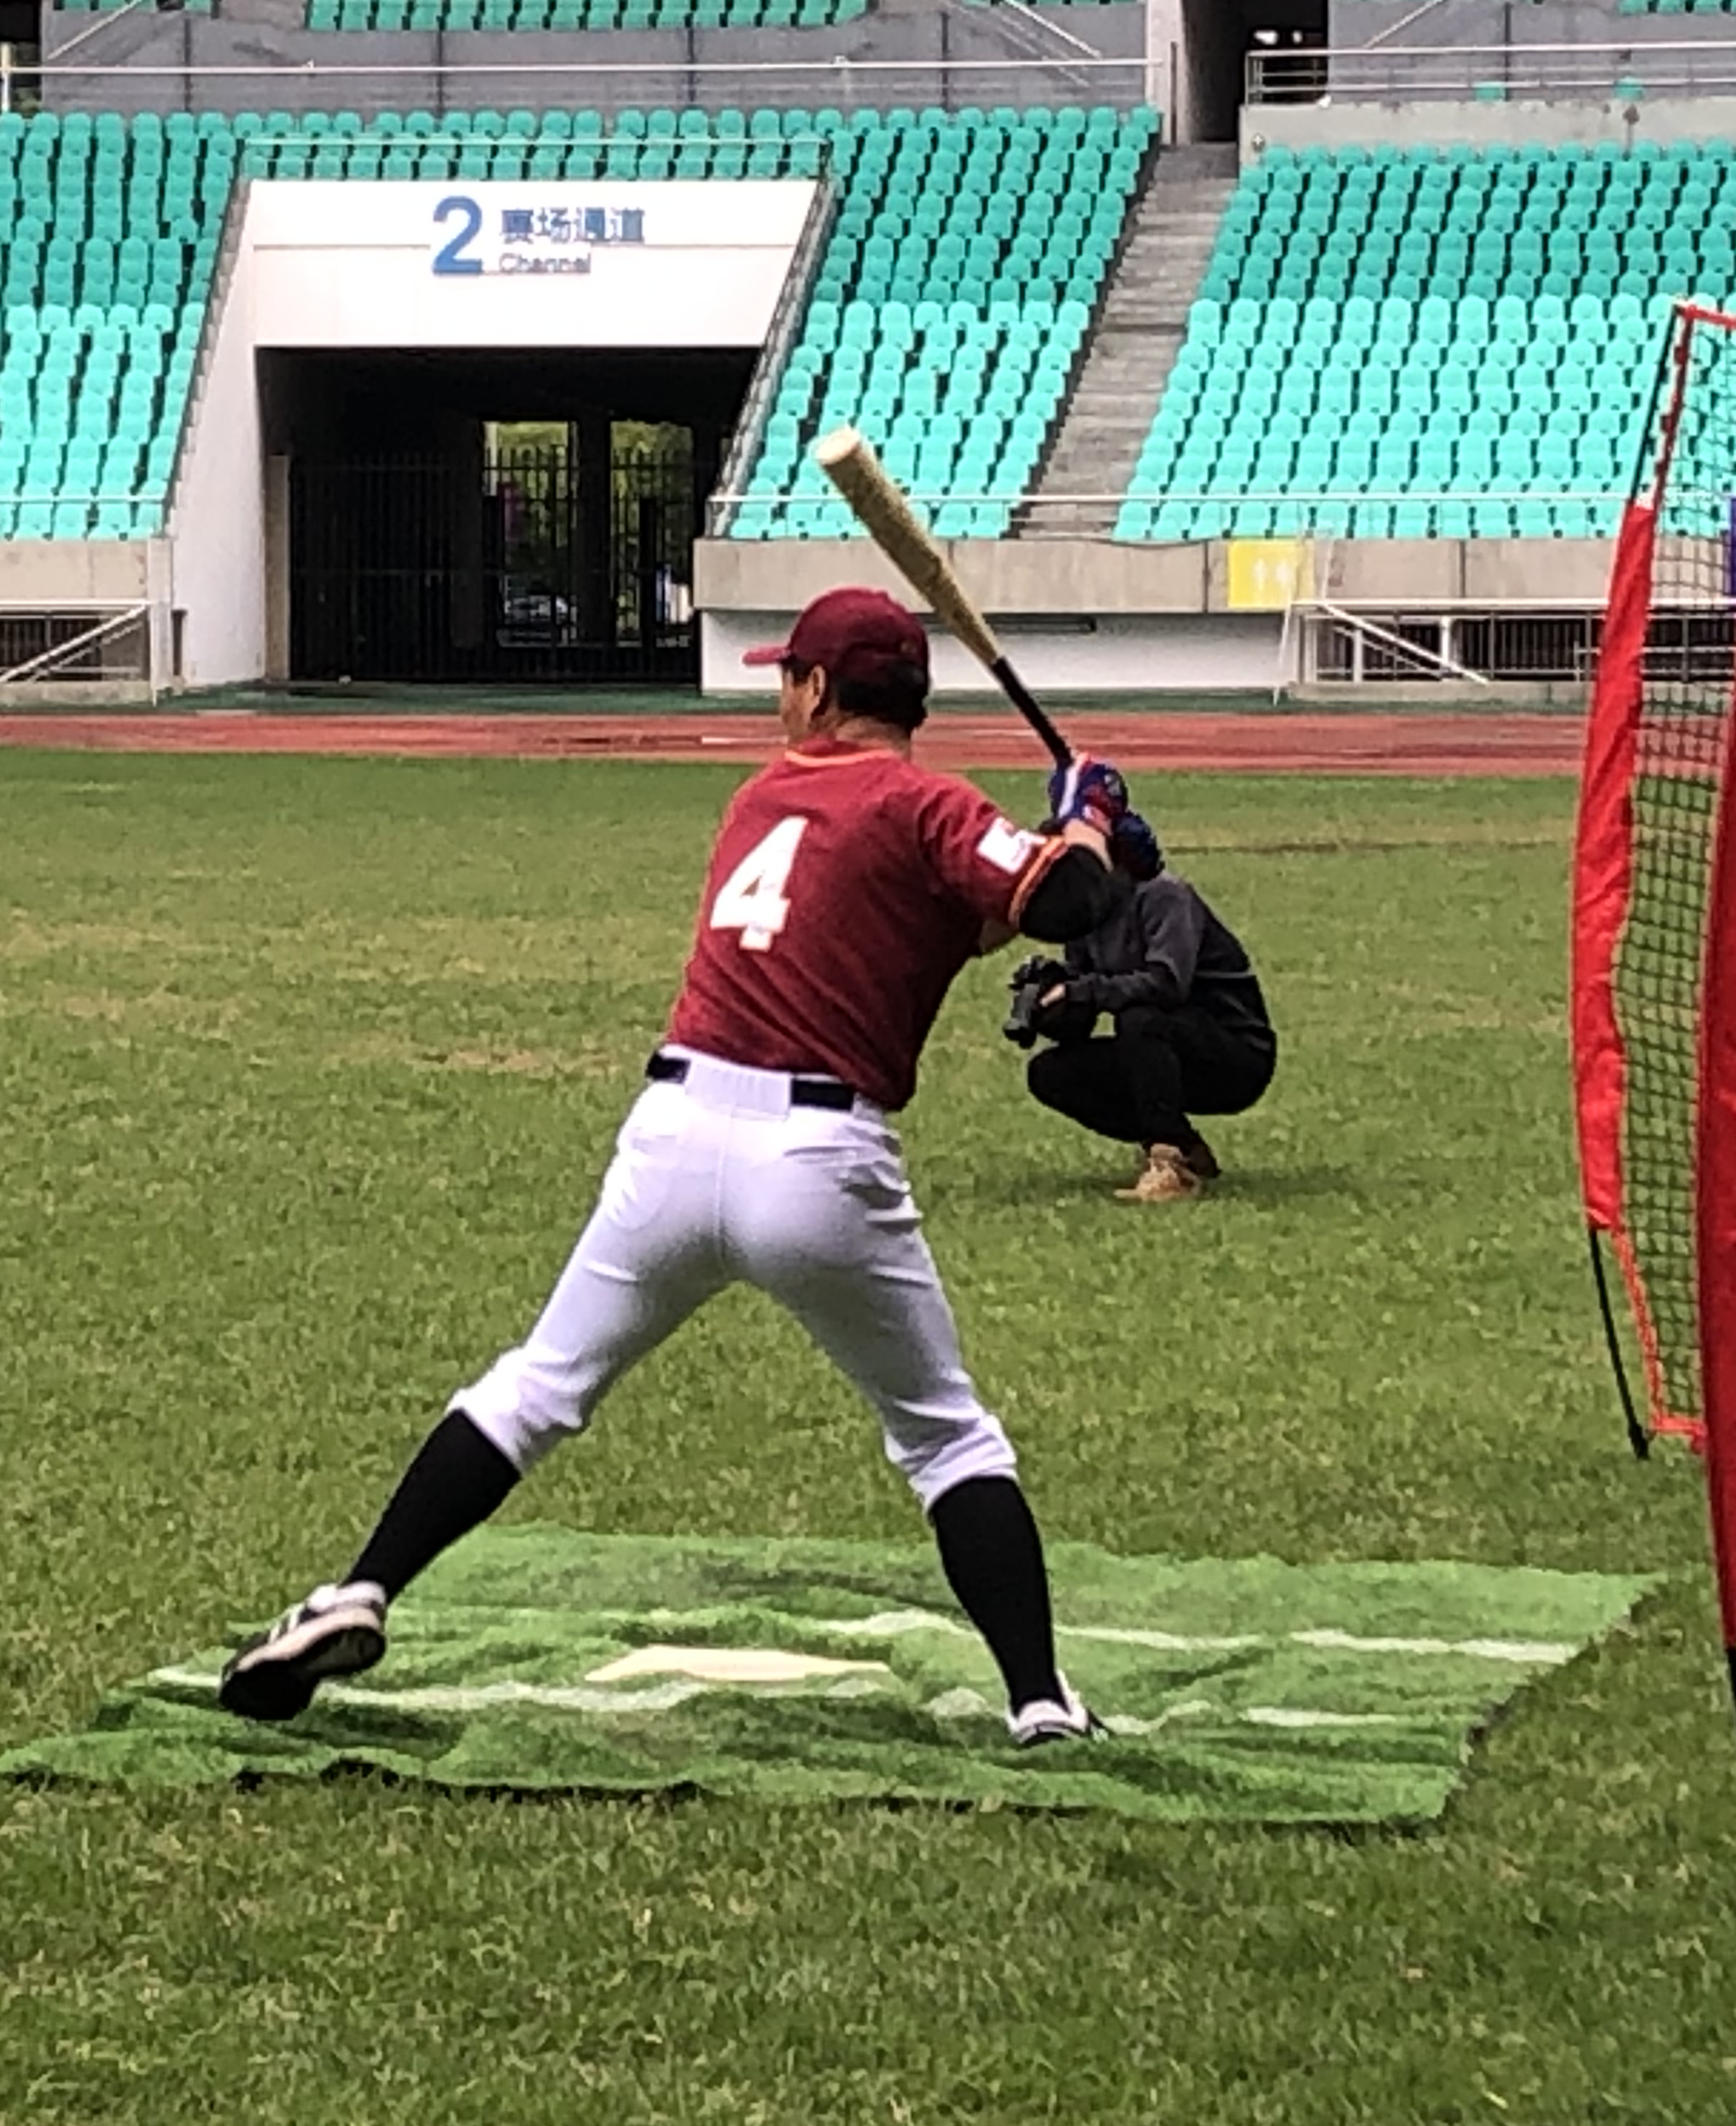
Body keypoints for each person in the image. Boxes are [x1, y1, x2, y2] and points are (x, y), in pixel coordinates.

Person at [220, 585, 1135, 1745]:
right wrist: (1090, 826)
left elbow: (992, 910)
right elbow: (1057, 899)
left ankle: (359, 1590)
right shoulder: (924, 803)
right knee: (947, 1438)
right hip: (820, 1161)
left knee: (536, 1389)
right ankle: (1042, 1702)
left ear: (818, 692)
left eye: (786, 678)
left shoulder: (765, 798)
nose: (777, 696)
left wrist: (1086, 856)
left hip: (675, 1135)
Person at [1010, 805, 1274, 1204]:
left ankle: (1171, 1165)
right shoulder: (1085, 916)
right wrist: (1053, 1004)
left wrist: (1084, 991)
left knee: (1141, 1018)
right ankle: (1185, 1145)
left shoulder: (1164, 895)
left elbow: (1166, 984)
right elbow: (1083, 1016)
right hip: (1160, 1050)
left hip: (1235, 1053)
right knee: (1051, 1073)